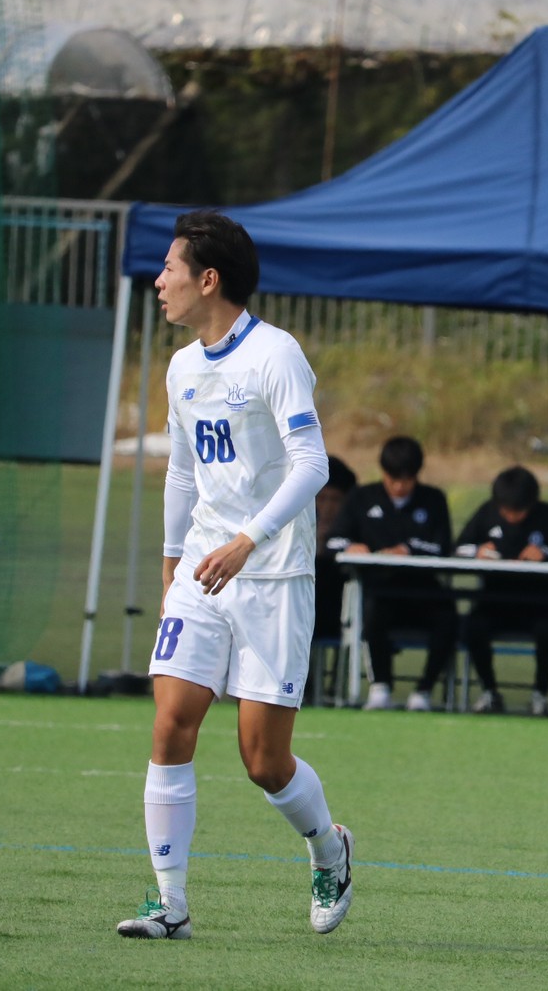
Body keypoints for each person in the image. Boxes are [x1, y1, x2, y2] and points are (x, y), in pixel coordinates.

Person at [116, 210, 351, 942]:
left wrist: (249, 541)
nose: (159, 282)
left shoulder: (276, 355)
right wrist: (171, 560)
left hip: (273, 575)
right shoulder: (182, 367)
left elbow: (312, 465)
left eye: (170, 269)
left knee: (263, 760)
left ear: (208, 279)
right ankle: (170, 904)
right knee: (170, 722)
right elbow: (183, 471)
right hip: (202, 570)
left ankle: (329, 849)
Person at [325, 436, 458, 711]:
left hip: (423, 590)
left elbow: (442, 546)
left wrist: (408, 549)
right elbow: (332, 541)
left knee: (448, 616)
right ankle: (380, 687)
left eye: (406, 480)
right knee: (373, 611)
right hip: (378, 589)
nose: (398, 487)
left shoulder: (433, 500)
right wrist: (352, 546)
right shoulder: (361, 498)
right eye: (393, 479)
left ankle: (423, 691)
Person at [454, 466, 548, 716]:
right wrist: (478, 551)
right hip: (494, 602)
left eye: (519, 511)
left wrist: (545, 555)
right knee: (473, 626)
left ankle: (540, 695)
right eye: (506, 511)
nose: (512, 517)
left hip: (540, 605)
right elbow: (457, 548)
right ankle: (489, 692)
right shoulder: (486, 512)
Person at [311, 456, 359, 699]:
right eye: (321, 498)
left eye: (335, 500)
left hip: (339, 611)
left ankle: (336, 686)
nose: (327, 508)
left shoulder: (356, 533)